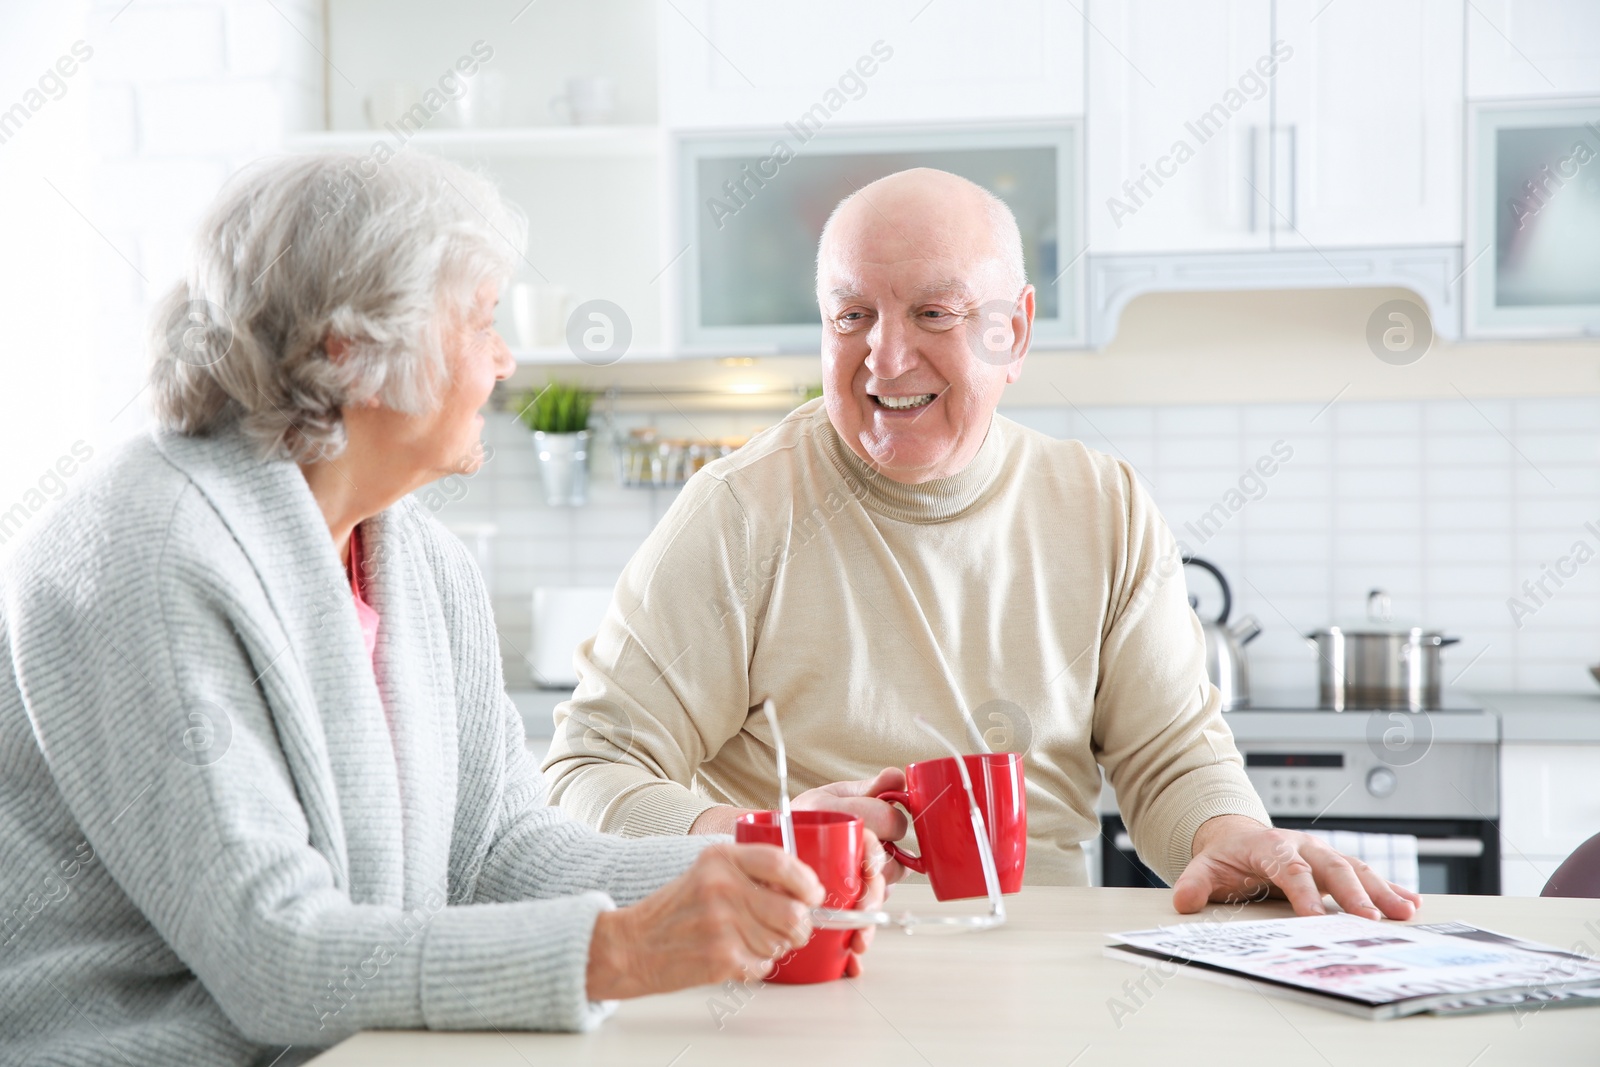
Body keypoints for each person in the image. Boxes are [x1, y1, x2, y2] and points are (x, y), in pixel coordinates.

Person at [0, 152, 883, 1067]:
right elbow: (275, 956)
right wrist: (617, 951)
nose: (505, 361)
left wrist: (762, 865)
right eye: (481, 321)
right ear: (350, 350)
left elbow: (495, 853)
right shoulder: (151, 549)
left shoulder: (417, 558)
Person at [543, 167, 1421, 924]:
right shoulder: (738, 513)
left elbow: (1170, 756)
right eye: (851, 316)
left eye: (933, 312)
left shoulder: (1104, 507)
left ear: (1015, 332)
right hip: (816, 967)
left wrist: (1233, 837)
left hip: (1045, 977)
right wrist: (758, 837)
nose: (885, 359)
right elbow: (586, 773)